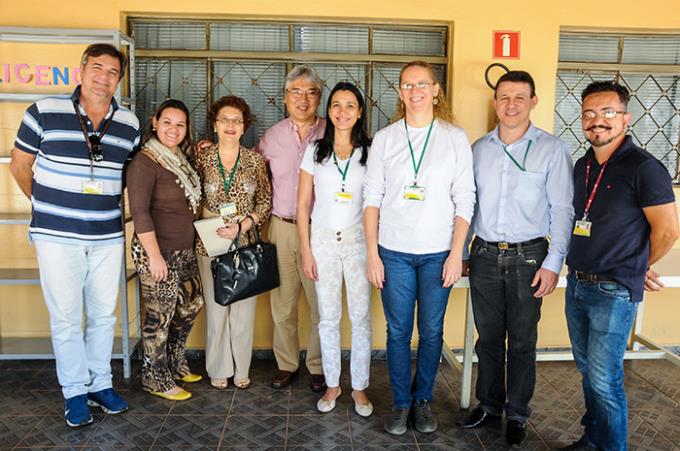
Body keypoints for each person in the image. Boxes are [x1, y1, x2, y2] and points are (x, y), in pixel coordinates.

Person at [9, 44, 140, 427]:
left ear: (119, 79)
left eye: (113, 71)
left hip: (106, 235)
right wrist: (48, 207)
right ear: (81, 70)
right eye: (97, 68)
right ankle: (74, 392)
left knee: (103, 314)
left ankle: (100, 384)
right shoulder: (44, 111)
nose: (104, 77)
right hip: (57, 235)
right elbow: (20, 167)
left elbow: (127, 174)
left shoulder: (128, 123)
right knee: (66, 317)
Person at [558, 81, 679, 451]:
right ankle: (593, 439)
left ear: (626, 118)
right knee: (587, 373)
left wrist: (637, 265)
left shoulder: (644, 167)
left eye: (608, 112)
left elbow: (668, 230)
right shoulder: (583, 166)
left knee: (605, 380)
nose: (598, 121)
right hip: (577, 285)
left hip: (613, 291)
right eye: (590, 114)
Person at [458, 71, 575, 447]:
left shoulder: (552, 149)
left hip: (530, 257)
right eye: (504, 97)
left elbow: (563, 209)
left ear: (533, 101)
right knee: (488, 338)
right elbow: (468, 206)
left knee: (522, 340)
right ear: (495, 102)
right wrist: (461, 252)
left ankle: (519, 413)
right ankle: (490, 405)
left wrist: (554, 262)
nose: (511, 104)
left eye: (519, 98)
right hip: (485, 255)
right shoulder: (478, 149)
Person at [363, 60, 476, 435]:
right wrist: (373, 254)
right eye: (408, 85)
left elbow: (465, 198)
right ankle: (400, 403)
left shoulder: (453, 137)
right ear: (399, 92)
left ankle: (423, 399)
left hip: (438, 254)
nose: (415, 91)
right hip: (392, 251)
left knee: (430, 331)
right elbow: (372, 198)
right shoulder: (386, 138)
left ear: (436, 89)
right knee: (397, 332)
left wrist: (457, 253)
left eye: (422, 84)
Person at [297, 82, 373, 417]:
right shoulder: (315, 151)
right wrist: (306, 250)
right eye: (336, 105)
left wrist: (374, 251)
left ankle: (359, 387)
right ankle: (332, 383)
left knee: (360, 317)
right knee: (328, 317)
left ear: (359, 112)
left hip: (358, 241)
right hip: (323, 241)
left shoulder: (370, 152)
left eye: (350, 106)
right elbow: (302, 207)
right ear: (328, 110)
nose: (342, 112)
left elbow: (377, 204)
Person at [253, 65, 327, 392]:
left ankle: (318, 366)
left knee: (321, 304)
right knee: (282, 303)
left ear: (319, 98)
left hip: (320, 231)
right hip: (281, 227)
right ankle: (286, 364)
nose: (303, 98)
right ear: (285, 97)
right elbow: (251, 172)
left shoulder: (333, 132)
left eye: (311, 92)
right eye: (296, 91)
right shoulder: (272, 136)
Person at [126, 99, 204, 401]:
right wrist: (155, 256)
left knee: (190, 305)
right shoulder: (145, 162)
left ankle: (173, 362)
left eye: (181, 124)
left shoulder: (179, 159)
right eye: (168, 122)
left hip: (184, 249)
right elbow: (141, 213)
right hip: (158, 251)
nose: (174, 129)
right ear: (155, 123)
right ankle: (155, 379)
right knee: (158, 318)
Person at [194, 96, 272, 390]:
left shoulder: (254, 160)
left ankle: (241, 367)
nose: (230, 125)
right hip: (209, 240)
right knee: (217, 308)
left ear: (244, 127)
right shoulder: (201, 158)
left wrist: (243, 224)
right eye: (224, 120)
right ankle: (218, 367)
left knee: (243, 308)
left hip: (245, 238)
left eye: (236, 121)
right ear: (214, 125)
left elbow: (265, 200)